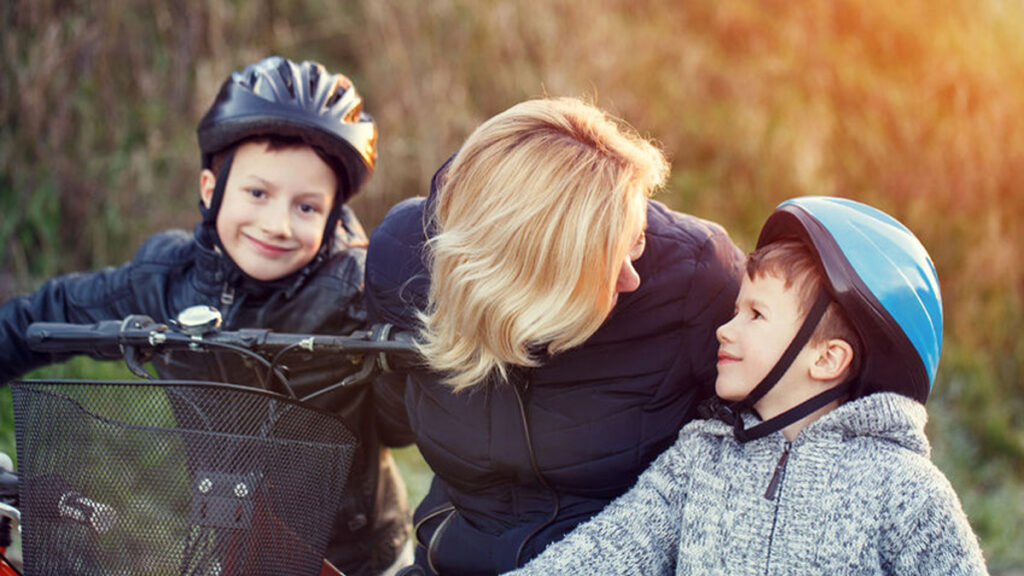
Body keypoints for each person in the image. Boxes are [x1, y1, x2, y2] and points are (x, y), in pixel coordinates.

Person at [0, 56, 412, 576]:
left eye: (307, 207)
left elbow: (405, 422)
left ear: (333, 215)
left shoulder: (357, 290)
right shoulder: (164, 280)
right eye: (257, 193)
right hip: (230, 544)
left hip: (356, 557)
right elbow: (37, 319)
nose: (277, 224)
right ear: (210, 190)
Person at [502, 196, 990, 575]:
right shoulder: (700, 460)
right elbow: (607, 552)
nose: (725, 328)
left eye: (755, 314)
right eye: (737, 309)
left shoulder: (904, 490)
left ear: (827, 358)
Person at [364, 97, 744, 575]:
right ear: (520, 270)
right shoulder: (404, 262)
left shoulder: (696, 276)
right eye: (602, 262)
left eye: (637, 239)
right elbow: (384, 413)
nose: (632, 278)